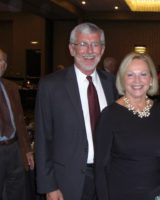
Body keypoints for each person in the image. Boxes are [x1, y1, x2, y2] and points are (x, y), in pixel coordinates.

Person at [35, 22, 118, 200]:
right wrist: (49, 185)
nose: (89, 50)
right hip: (67, 181)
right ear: (72, 49)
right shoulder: (51, 85)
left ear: (102, 50)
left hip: (107, 178)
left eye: (95, 44)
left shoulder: (111, 83)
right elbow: (43, 139)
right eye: (82, 44)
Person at [94, 52, 160, 200]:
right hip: (121, 195)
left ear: (151, 79)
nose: (137, 80)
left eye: (143, 74)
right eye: (130, 75)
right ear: (122, 79)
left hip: (159, 195)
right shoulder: (109, 115)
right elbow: (100, 169)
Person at [0, 48, 34, 199]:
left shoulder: (11, 87)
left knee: (17, 192)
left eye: (2, 61)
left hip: (14, 149)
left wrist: (27, 150)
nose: (0, 64)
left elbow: (20, 121)